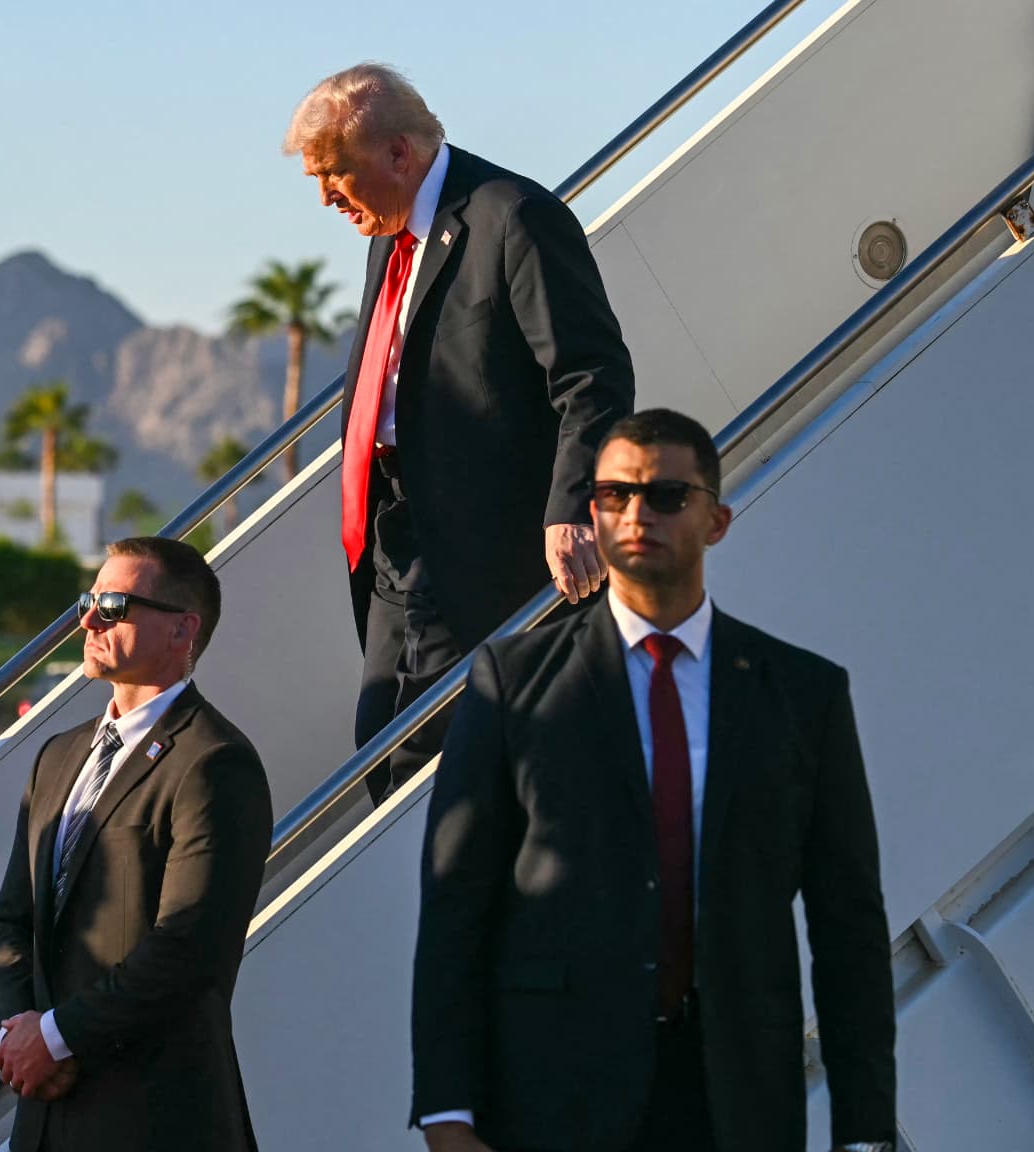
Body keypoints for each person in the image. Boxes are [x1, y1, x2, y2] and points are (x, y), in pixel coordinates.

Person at [410, 410, 897, 1152]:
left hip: (736, 1101)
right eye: (612, 495)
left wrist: (865, 1134)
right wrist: (448, 1112)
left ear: (717, 520)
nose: (637, 514)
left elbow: (848, 926)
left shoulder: (802, 694)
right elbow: (455, 906)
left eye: (668, 496)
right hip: (554, 1099)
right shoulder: (513, 684)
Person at [285, 63, 636, 801]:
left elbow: (592, 376)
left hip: (476, 547)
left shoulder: (513, 217)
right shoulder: (389, 230)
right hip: (393, 539)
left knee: (420, 760)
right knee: (379, 749)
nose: (325, 197)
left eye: (334, 173)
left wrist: (574, 507)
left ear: (398, 154)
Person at [0, 537, 272, 1152]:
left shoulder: (215, 762)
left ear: (181, 631)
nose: (88, 619)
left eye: (114, 605)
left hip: (153, 1118)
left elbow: (187, 950)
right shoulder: (57, 756)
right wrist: (21, 1031)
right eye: (88, 600)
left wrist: (57, 1036)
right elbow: (12, 920)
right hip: (45, 1117)